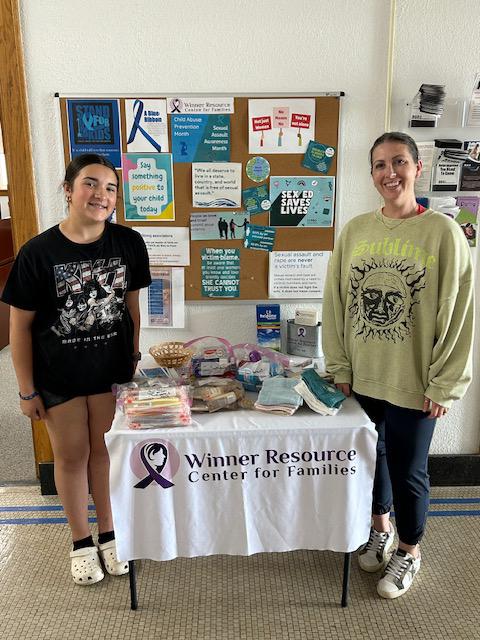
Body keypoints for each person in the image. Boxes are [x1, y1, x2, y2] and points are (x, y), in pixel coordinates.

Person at [322, 132, 473, 600]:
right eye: (380, 165)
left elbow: (461, 313)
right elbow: (337, 302)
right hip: (363, 377)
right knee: (373, 459)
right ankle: (380, 528)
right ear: (371, 174)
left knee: (410, 470)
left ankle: (410, 549)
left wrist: (446, 382)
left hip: (414, 380)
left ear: (417, 168)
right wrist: (340, 366)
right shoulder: (355, 230)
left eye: (400, 162)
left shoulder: (444, 233)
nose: (391, 173)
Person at [1, 153, 151, 586]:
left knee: (104, 453)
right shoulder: (37, 253)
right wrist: (27, 390)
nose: (100, 194)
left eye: (110, 187)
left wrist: (134, 360)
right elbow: (20, 327)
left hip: (110, 372)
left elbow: (131, 308)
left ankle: (109, 531)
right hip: (57, 375)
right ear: (68, 189)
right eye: (90, 183)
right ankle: (81, 541)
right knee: (71, 456)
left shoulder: (128, 243)